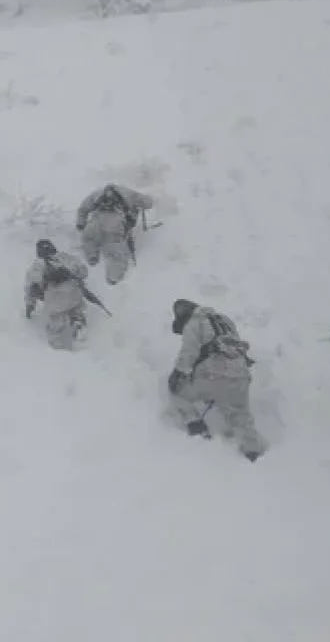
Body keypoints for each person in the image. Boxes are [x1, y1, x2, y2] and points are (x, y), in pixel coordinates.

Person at [167, 299, 266, 461]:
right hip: (240, 372)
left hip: (212, 371)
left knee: (179, 393)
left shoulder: (195, 321)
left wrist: (177, 374)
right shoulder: (224, 320)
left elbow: (189, 352)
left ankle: (196, 427)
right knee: (240, 414)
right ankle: (252, 453)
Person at [76, 183, 156, 284]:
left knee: (89, 239)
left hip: (95, 222)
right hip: (114, 224)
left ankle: (92, 257)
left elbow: (83, 208)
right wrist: (150, 200)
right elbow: (148, 203)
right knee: (116, 255)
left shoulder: (96, 194)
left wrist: (81, 223)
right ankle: (113, 280)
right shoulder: (129, 193)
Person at [24, 239, 90, 350]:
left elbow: (30, 288)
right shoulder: (66, 257)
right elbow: (84, 272)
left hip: (55, 299)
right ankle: (78, 323)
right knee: (76, 309)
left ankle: (58, 350)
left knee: (55, 323)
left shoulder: (37, 265)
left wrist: (30, 306)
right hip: (74, 293)